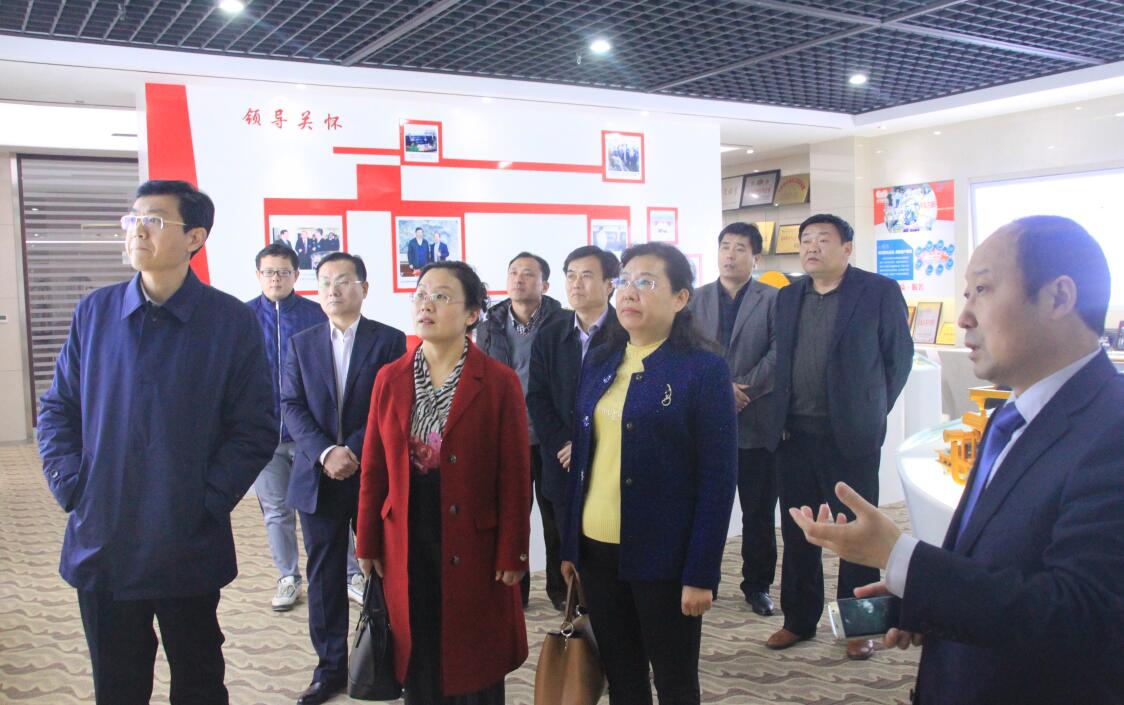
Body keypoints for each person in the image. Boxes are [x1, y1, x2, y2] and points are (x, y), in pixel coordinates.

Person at [789, 216, 1124, 705]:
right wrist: (927, 598)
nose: (964, 316)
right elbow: (1000, 566)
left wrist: (900, 557)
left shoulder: (1111, 429)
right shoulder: (1010, 416)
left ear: (1058, 297)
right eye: (966, 294)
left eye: (982, 290)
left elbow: (1079, 613)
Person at [37, 180, 276, 704]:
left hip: (186, 537)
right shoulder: (96, 312)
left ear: (195, 237)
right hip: (105, 534)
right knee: (117, 684)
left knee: (198, 680)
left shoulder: (229, 320)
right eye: (133, 219)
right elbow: (57, 409)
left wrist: (206, 500)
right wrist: (72, 485)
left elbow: (256, 426)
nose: (137, 230)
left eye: (154, 220)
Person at [560, 242, 738, 705]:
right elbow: (583, 459)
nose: (629, 292)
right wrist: (571, 545)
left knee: (674, 682)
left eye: (646, 282)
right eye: (624, 281)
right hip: (597, 550)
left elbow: (718, 480)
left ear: (680, 298)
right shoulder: (601, 360)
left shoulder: (703, 370)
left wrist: (701, 571)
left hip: (664, 554)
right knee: (622, 677)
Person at [356, 260, 531, 704]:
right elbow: (374, 469)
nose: (426, 305)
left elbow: (515, 475)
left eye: (441, 296)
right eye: (421, 295)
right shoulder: (390, 378)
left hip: (474, 539)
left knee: (474, 655)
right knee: (417, 648)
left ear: (472, 314)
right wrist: (367, 541)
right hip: (407, 534)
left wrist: (513, 549)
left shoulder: (499, 382)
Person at [762, 213, 913, 660]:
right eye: (805, 240)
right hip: (793, 434)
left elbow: (898, 359)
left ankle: (859, 628)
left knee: (858, 534)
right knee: (799, 532)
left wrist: (870, 409)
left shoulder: (878, 291)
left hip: (849, 438)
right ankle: (798, 620)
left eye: (822, 240)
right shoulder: (788, 295)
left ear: (847, 248)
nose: (811, 247)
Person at [282, 252, 406, 705]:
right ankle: (330, 669)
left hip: (373, 475)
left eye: (343, 281)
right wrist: (326, 452)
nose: (332, 290)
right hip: (317, 477)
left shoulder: (389, 340)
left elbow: (389, 405)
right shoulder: (301, 342)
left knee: (385, 569)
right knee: (323, 576)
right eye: (325, 282)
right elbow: (291, 404)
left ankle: (390, 662)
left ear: (364, 288)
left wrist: (351, 450)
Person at [689, 222, 779, 616]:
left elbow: (780, 352)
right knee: (705, 508)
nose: (730, 255)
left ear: (755, 257)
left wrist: (746, 389)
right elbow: (687, 349)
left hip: (756, 420)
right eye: (725, 246)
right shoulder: (694, 299)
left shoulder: (773, 299)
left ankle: (757, 585)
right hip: (705, 424)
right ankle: (702, 578)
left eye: (740, 248)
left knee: (758, 511)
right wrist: (720, 389)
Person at [526, 245, 622, 611]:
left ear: (609, 284)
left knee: (602, 550)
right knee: (561, 540)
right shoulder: (550, 335)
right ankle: (567, 606)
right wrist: (564, 442)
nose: (576, 284)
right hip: (562, 459)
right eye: (571, 275)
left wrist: (586, 445)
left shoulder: (625, 332)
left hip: (608, 461)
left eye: (586, 276)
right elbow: (538, 397)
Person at [476, 251, 562, 606]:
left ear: (545, 284)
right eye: (513, 272)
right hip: (507, 437)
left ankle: (560, 591)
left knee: (555, 516)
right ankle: (516, 592)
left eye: (528, 273)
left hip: (551, 436)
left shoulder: (561, 323)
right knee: (512, 517)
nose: (518, 279)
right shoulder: (489, 325)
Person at [247, 243, 328, 611]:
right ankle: (288, 576)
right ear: (258, 275)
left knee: (322, 509)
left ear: (296, 275)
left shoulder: (316, 315)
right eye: (269, 272)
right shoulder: (244, 318)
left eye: (283, 272)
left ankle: (346, 573)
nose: (275, 278)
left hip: (309, 434)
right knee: (277, 510)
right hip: (265, 435)